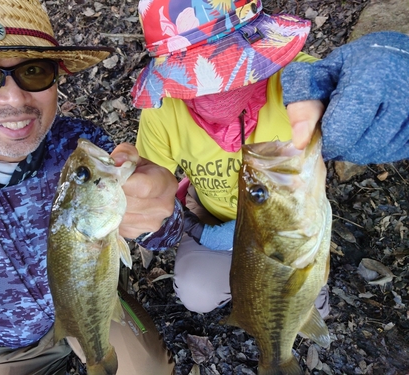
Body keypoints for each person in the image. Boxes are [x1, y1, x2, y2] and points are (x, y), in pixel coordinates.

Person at [0, 0, 182, 374]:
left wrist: (160, 213)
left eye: (34, 71)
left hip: (93, 299)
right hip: (9, 344)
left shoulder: (81, 143)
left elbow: (166, 237)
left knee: (149, 369)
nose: (15, 99)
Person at [130, 0, 409, 315]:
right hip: (214, 220)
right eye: (190, 77)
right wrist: (165, 220)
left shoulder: (302, 83)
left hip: (291, 226)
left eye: (227, 66)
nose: (211, 90)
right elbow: (152, 193)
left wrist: (392, 65)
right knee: (198, 291)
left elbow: (347, 84)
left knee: (308, 309)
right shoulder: (162, 113)